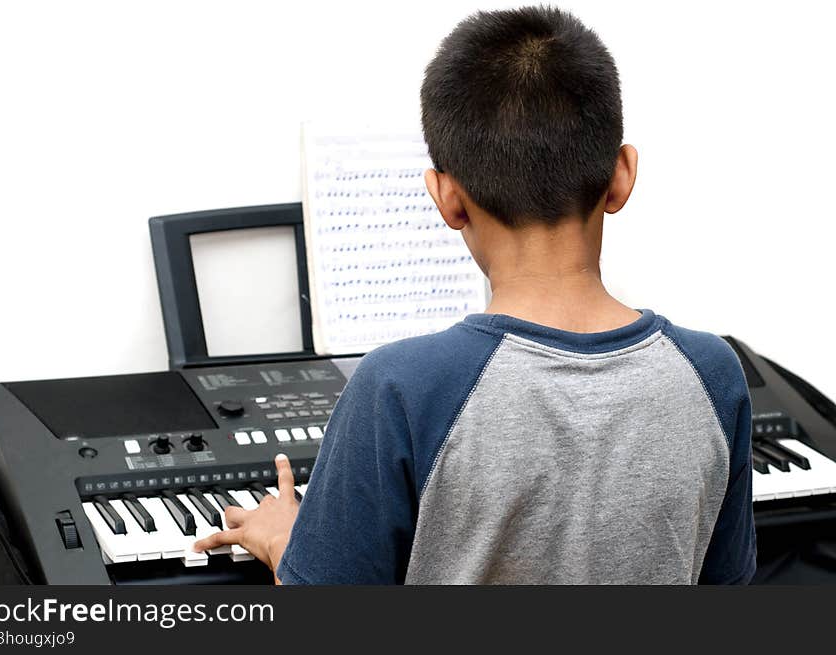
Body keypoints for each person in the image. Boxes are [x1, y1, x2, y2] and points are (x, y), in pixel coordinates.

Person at [194, 5, 755, 584]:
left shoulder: (400, 387)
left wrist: (285, 536)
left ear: (447, 199)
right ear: (621, 176)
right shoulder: (714, 373)